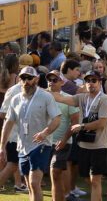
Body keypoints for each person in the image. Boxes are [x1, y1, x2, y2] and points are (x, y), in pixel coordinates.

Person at [0, 64, 61, 201]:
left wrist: (45, 133)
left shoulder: (46, 96)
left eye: (30, 78)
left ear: (37, 79)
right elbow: (8, 123)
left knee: (34, 183)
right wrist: (2, 146)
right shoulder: (16, 99)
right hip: (22, 146)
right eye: (23, 78)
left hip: (41, 144)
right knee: (29, 184)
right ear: (19, 79)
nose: (26, 81)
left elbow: (57, 119)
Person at [71, 68, 107, 201]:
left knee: (95, 180)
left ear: (99, 83)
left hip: (99, 146)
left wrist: (82, 126)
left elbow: (102, 123)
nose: (90, 83)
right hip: (84, 144)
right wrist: (44, 90)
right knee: (86, 178)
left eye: (93, 80)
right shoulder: (82, 97)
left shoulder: (104, 98)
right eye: (88, 80)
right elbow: (62, 98)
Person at [46, 71, 78, 201]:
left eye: (55, 80)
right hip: (44, 142)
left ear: (62, 82)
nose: (51, 82)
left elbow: (75, 121)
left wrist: (64, 140)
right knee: (51, 175)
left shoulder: (68, 98)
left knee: (55, 172)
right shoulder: (41, 96)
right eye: (49, 79)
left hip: (62, 143)